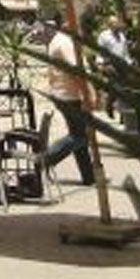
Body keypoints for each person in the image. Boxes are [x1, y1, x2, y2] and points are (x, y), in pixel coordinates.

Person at [42, 18, 97, 185]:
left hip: (63, 94)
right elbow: (76, 71)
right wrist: (88, 93)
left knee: (79, 134)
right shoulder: (65, 43)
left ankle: (88, 176)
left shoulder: (58, 40)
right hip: (70, 96)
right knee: (79, 136)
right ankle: (45, 159)